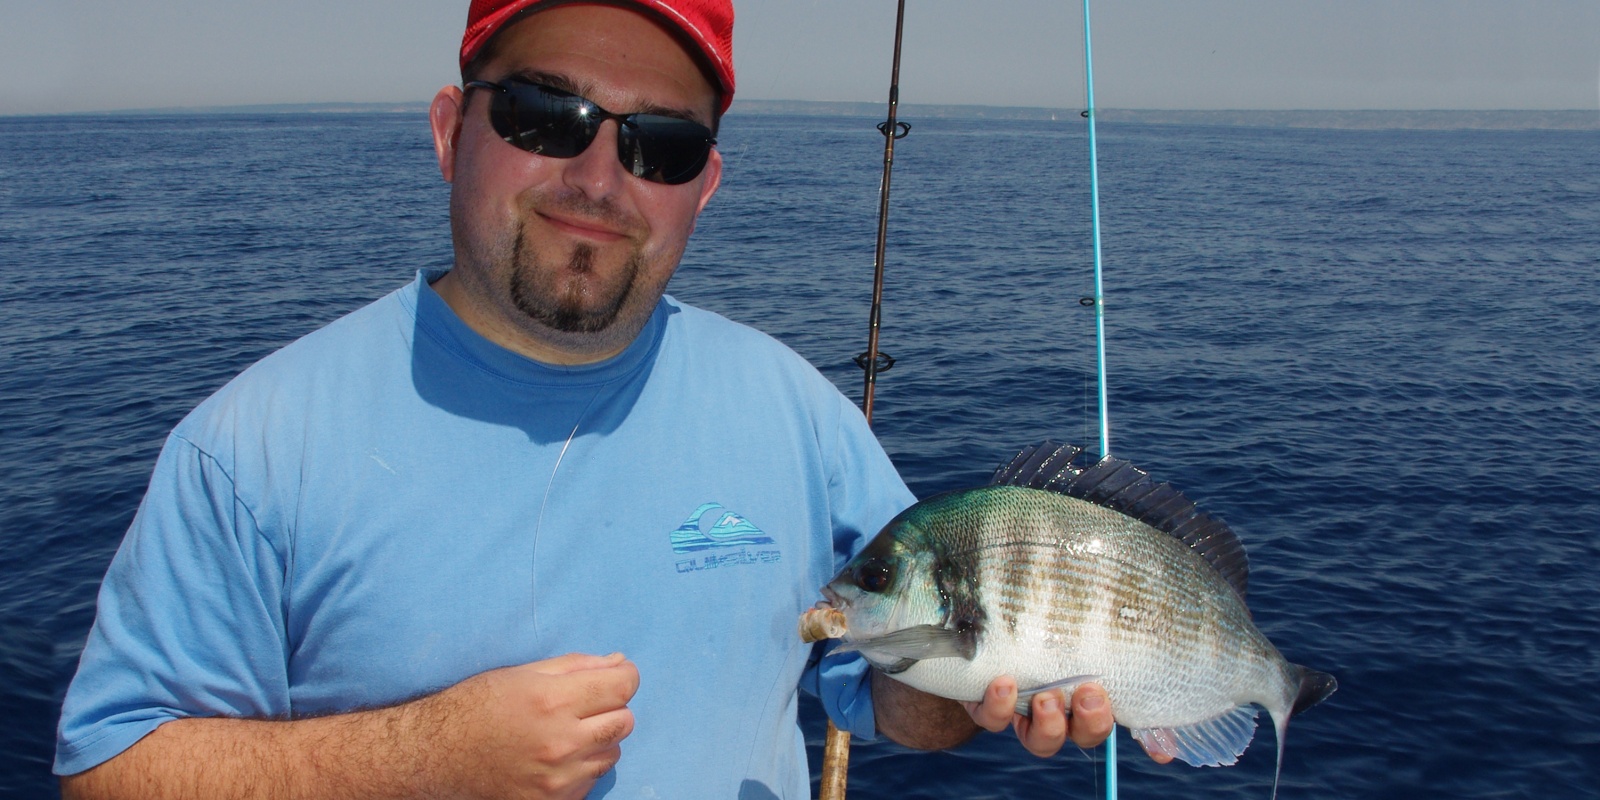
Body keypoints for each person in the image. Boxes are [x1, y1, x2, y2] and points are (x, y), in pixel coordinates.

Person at [55, 1, 1141, 797]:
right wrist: (422, 757)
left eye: (659, 143)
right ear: (449, 131)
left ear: (702, 189)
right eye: (544, 114)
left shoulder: (800, 415)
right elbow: (108, 764)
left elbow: (896, 693)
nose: (598, 175)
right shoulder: (250, 449)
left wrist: (994, 680)